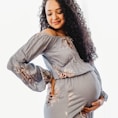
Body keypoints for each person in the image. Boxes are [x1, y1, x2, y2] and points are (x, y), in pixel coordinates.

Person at [7, 0, 108, 118]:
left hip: (84, 108)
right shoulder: (47, 36)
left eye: (59, 12)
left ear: (68, 12)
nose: (54, 17)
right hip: (64, 106)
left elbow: (90, 65)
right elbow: (15, 62)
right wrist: (47, 76)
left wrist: (101, 97)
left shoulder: (74, 35)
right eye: (49, 14)